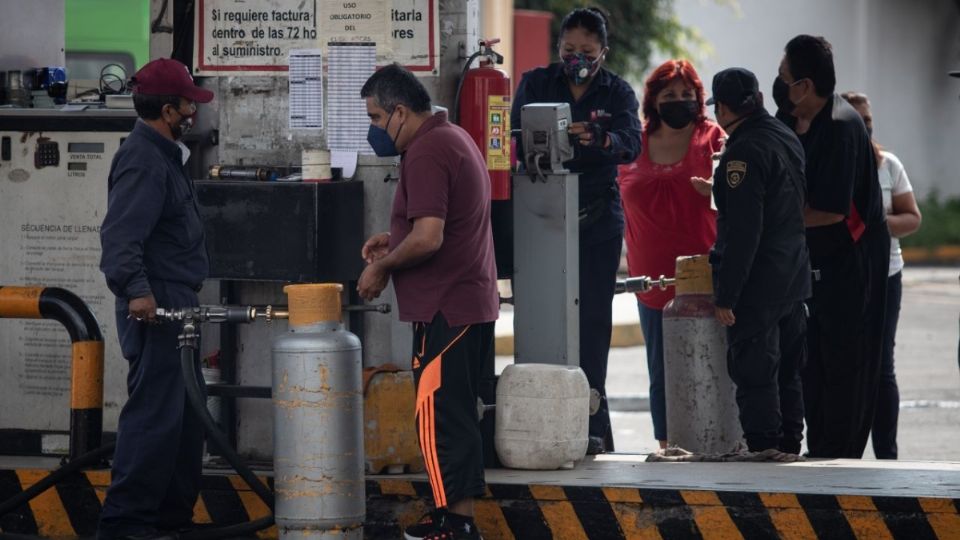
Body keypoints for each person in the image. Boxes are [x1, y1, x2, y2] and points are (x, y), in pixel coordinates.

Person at [356, 63, 498, 540]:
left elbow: (431, 237)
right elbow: (437, 222)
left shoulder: (426, 150)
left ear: (400, 111)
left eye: (376, 118)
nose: (374, 129)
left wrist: (383, 266)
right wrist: (392, 237)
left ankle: (456, 523)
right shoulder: (451, 136)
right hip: (464, 300)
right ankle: (450, 515)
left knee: (440, 416)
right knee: (452, 413)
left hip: (446, 304)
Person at [511, 7, 641, 454]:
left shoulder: (618, 93)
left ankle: (593, 426)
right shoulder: (536, 83)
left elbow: (631, 143)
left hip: (597, 221)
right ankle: (538, 421)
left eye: (587, 51)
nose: (577, 59)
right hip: (542, 218)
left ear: (603, 52)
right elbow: (513, 135)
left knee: (591, 326)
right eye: (569, 50)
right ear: (558, 48)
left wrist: (602, 140)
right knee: (542, 317)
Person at [97, 58, 213, 540]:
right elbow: (120, 238)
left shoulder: (166, 156)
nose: (194, 112)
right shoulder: (145, 160)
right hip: (157, 303)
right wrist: (139, 292)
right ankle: (127, 526)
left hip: (177, 302)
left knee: (187, 421)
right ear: (168, 110)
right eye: (188, 105)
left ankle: (170, 521)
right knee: (155, 419)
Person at [774, 35, 890, 459]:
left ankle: (840, 457)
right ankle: (817, 449)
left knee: (848, 360)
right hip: (812, 258)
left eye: (784, 77)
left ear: (805, 85)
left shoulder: (841, 127)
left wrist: (770, 216)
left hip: (853, 258)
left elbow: (830, 211)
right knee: (811, 357)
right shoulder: (791, 118)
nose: (778, 84)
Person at [617, 59, 724, 450]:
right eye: (669, 95)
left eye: (687, 95)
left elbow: (738, 193)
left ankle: (720, 441)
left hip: (705, 276)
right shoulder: (634, 140)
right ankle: (669, 446)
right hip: (651, 279)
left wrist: (715, 191)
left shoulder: (713, 137)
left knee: (714, 365)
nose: (679, 101)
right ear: (653, 100)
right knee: (661, 371)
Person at [707, 68, 811, 456]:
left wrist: (727, 294)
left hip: (759, 284)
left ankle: (766, 451)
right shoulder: (784, 136)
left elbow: (743, 231)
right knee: (788, 373)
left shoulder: (743, 151)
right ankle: (789, 447)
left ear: (723, 107)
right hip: (793, 277)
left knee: (756, 373)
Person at [842, 91, 922, 459]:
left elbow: (912, 217)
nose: (866, 125)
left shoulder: (888, 165)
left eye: (869, 119)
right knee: (844, 364)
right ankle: (842, 451)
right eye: (859, 119)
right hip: (843, 278)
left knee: (881, 365)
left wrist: (877, 225)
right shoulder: (829, 164)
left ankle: (886, 454)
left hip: (886, 273)